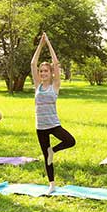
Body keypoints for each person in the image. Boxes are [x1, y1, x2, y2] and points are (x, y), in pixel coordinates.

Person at [30, 32, 76, 193]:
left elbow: (56, 63)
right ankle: (51, 184)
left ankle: (53, 150)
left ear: (51, 73)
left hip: (53, 124)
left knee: (70, 141)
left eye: (45, 71)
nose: (42, 73)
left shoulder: (55, 85)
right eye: (41, 71)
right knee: (46, 158)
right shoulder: (37, 85)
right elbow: (33, 62)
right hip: (40, 126)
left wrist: (48, 43)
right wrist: (40, 45)